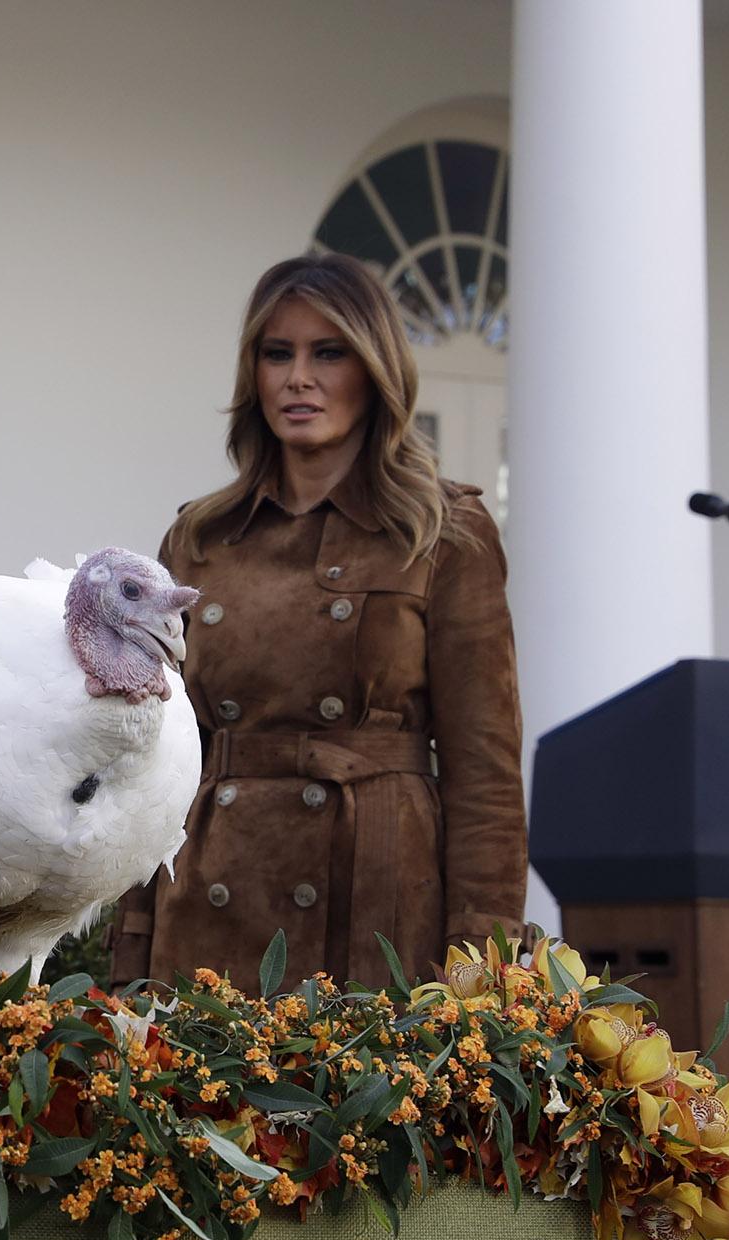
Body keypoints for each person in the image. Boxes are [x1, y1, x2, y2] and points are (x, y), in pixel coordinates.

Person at [112, 253, 526, 993]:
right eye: (278, 354)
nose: (299, 377)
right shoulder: (199, 538)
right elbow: (155, 761)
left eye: (327, 352)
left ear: (374, 370)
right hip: (210, 899)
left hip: (376, 909)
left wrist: (482, 969)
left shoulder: (444, 532)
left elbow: (484, 778)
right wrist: (130, 947)